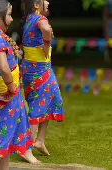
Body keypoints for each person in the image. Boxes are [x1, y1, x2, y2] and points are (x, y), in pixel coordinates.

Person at [0, 0, 40, 169]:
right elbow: (3, 67)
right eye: (9, 15)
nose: (11, 19)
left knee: (5, 141)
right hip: (3, 97)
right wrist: (12, 89)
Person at [21, 0, 65, 156]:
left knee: (52, 98)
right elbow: (45, 29)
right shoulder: (40, 19)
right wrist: (47, 42)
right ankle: (27, 147)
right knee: (38, 104)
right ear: (36, 5)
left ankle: (40, 140)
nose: (49, 3)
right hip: (38, 70)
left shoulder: (29, 19)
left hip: (36, 68)